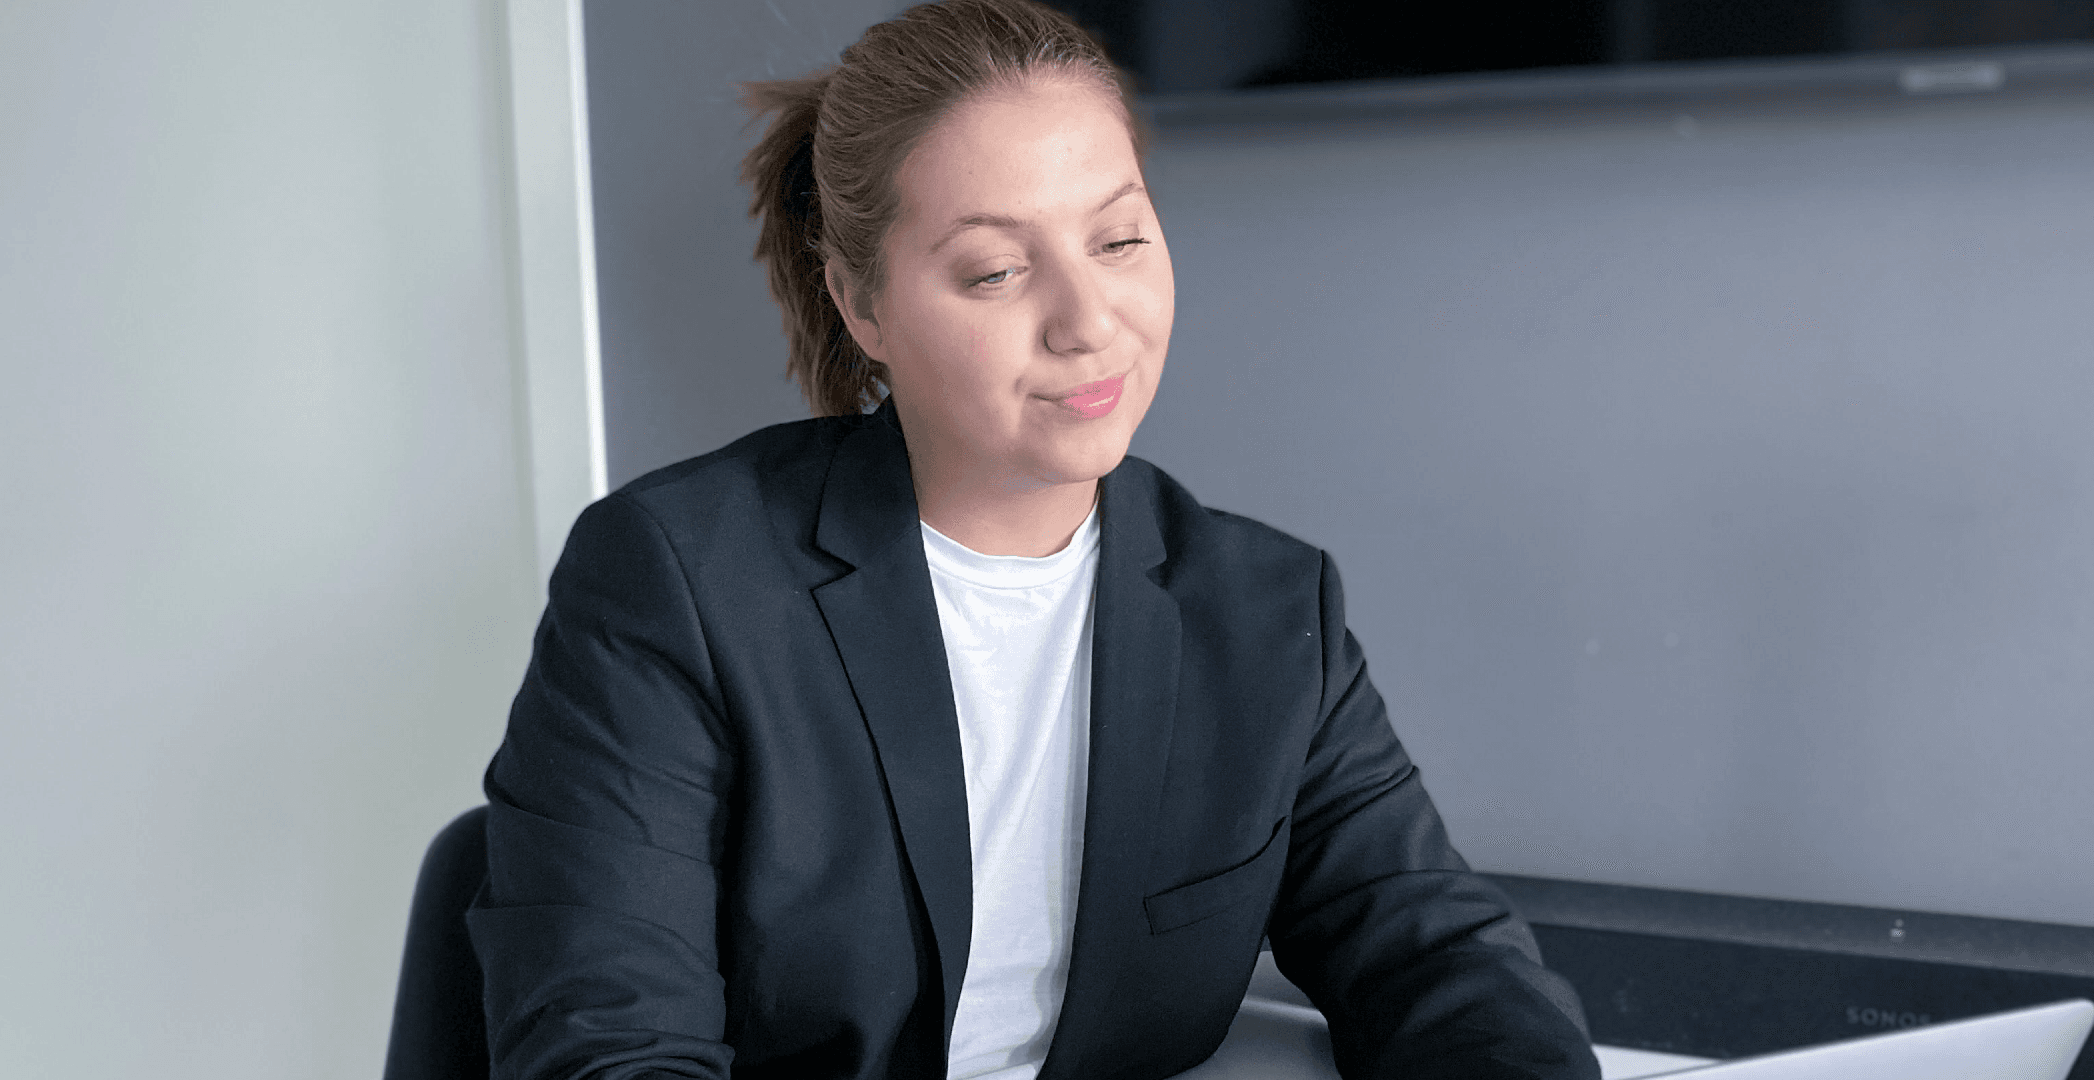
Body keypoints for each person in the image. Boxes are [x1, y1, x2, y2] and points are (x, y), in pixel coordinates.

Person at [468, 2, 1599, 1077]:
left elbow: (1438, 963)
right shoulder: (677, 579)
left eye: (1117, 239)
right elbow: (608, 1046)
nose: (1086, 319)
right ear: (863, 307)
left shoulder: (1266, 611)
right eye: (997, 270)